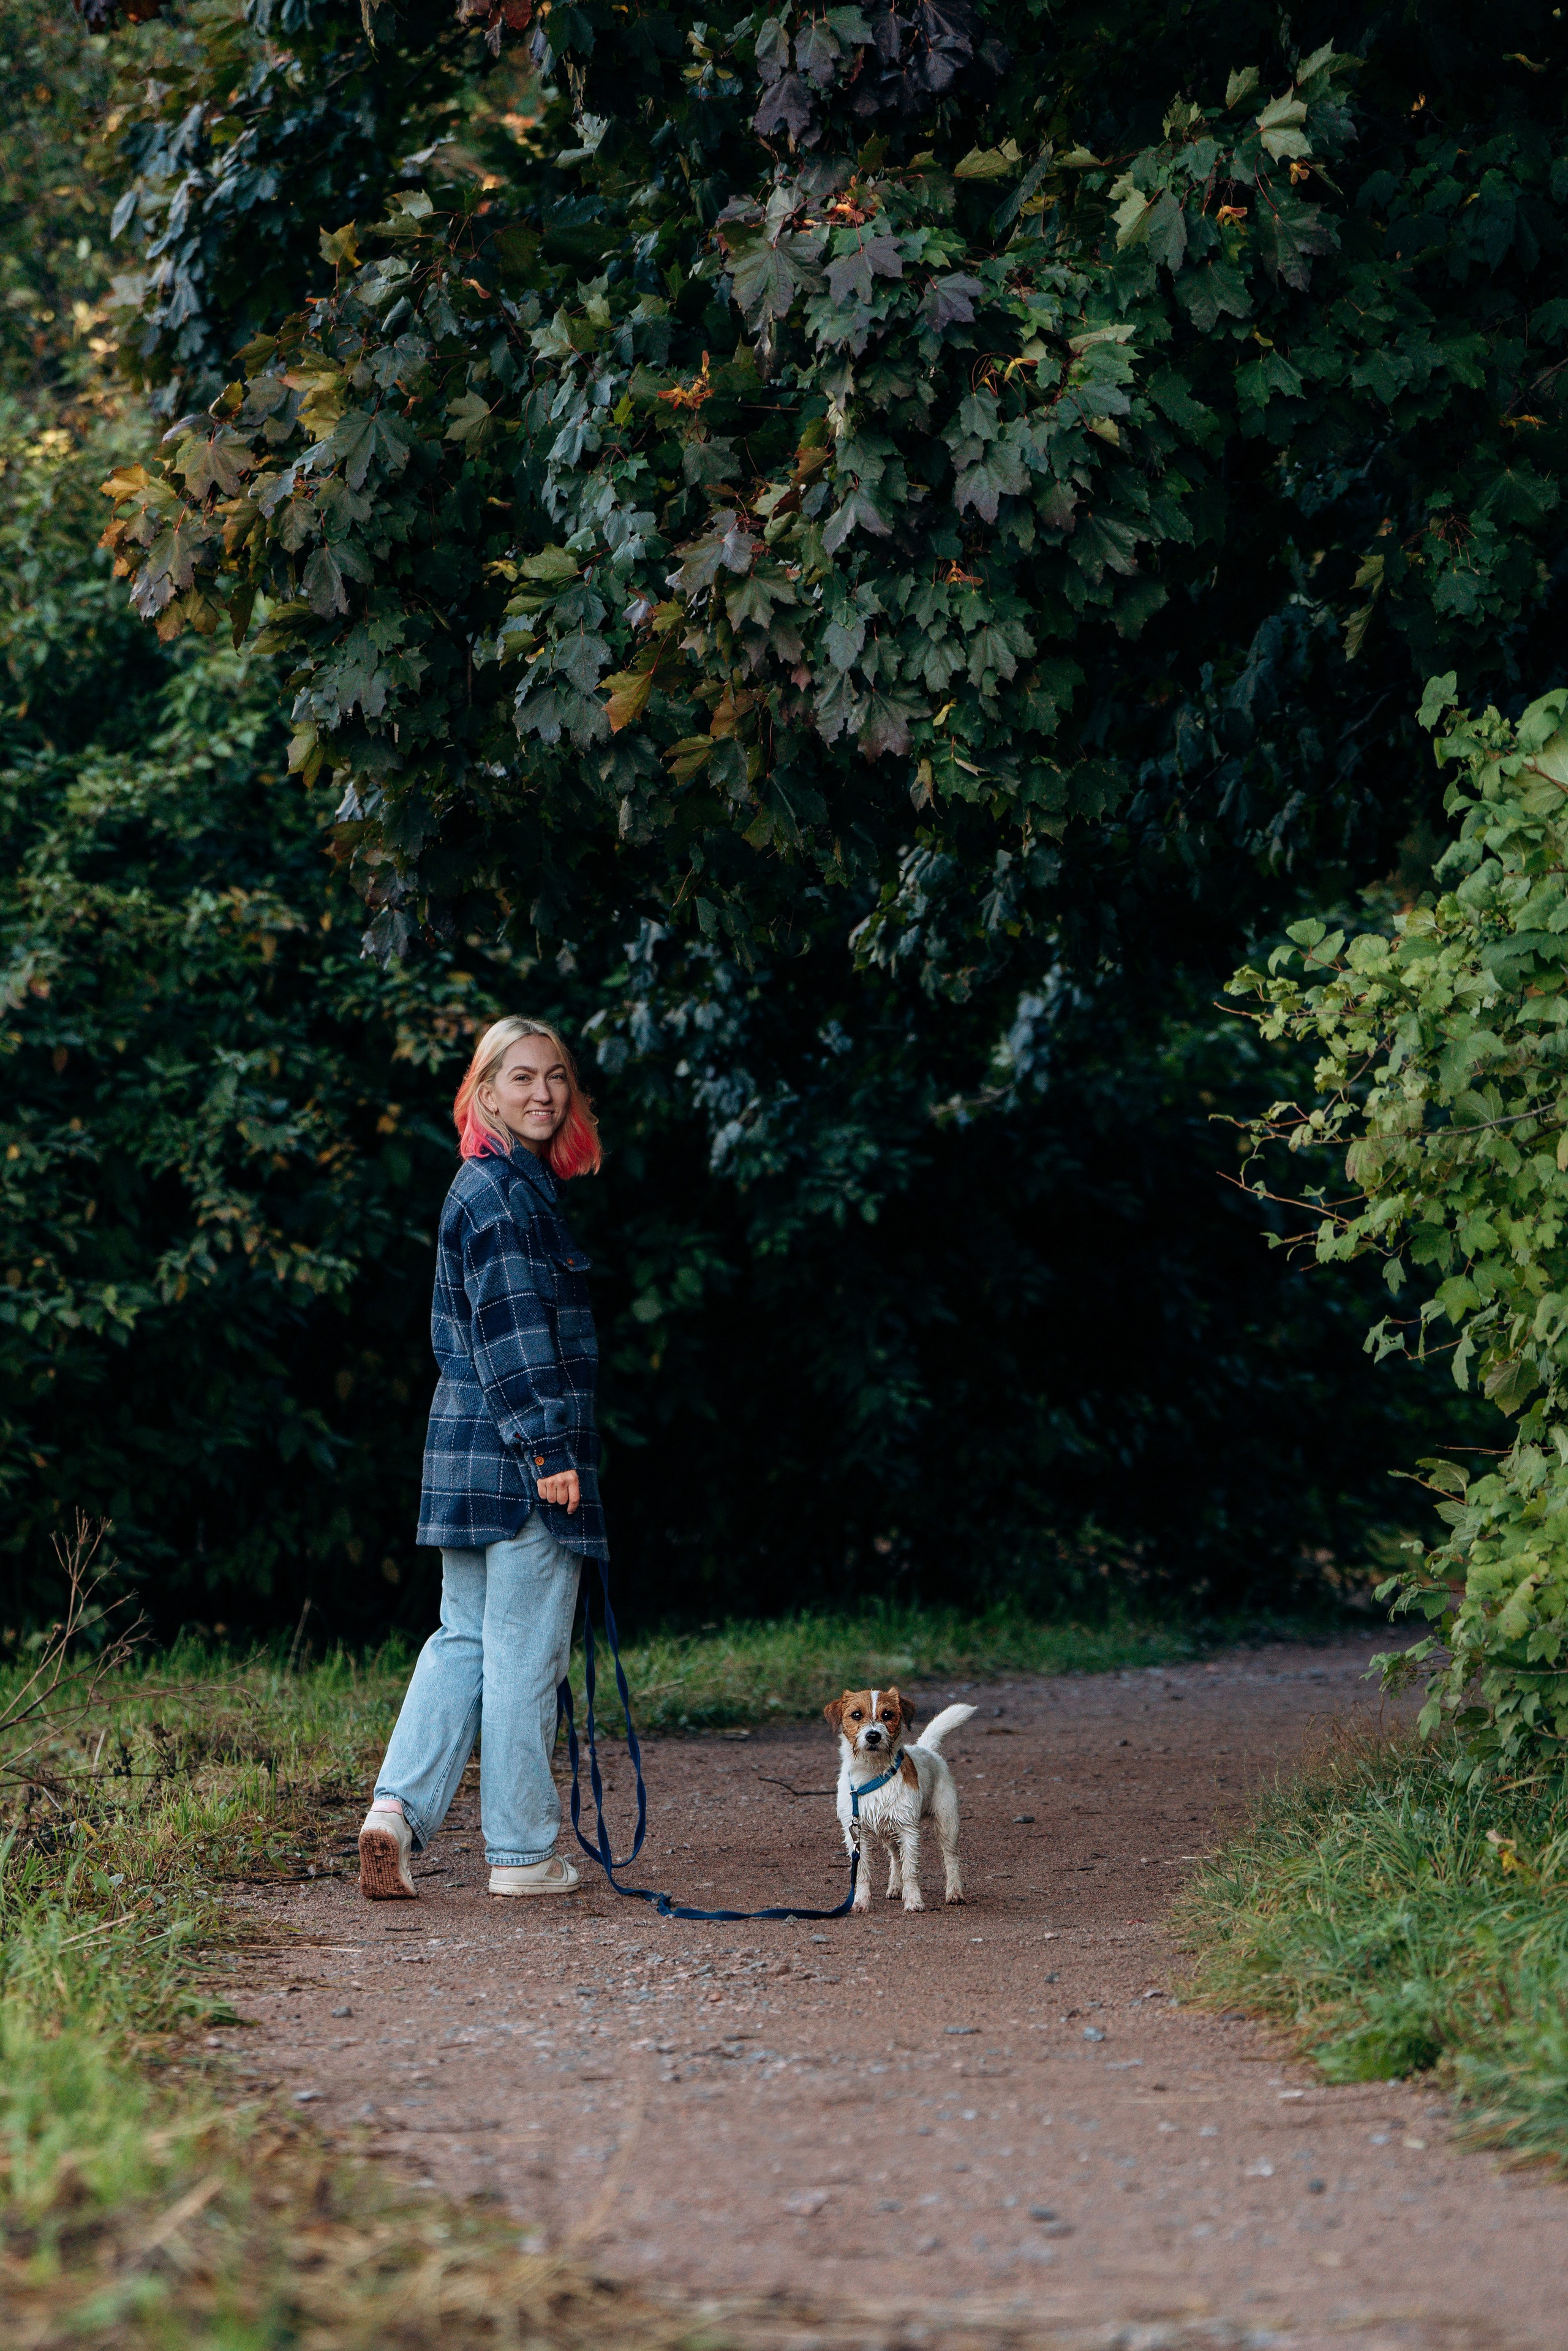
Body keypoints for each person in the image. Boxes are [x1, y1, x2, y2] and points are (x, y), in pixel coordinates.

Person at [356, 1016, 606, 1900]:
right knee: (523, 1656)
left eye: (557, 1077)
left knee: (462, 1641)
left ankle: (393, 1811)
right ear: (485, 1091)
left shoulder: (492, 1187)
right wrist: (549, 1448)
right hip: (519, 1462)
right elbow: (511, 1337)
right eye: (522, 1077)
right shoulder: (503, 1197)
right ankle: (523, 1852)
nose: (543, 1092)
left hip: (462, 1459)